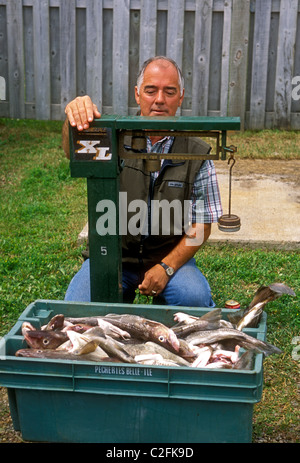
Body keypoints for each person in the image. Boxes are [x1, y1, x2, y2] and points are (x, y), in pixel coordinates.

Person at [62, 56, 222, 307]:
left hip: (169, 258)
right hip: (111, 257)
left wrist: (166, 268)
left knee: (194, 300)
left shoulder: (198, 153)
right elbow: (70, 148)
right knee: (78, 311)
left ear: (181, 97)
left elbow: (202, 224)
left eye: (169, 92)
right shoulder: (110, 139)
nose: (159, 99)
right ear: (137, 94)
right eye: (151, 90)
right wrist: (73, 117)